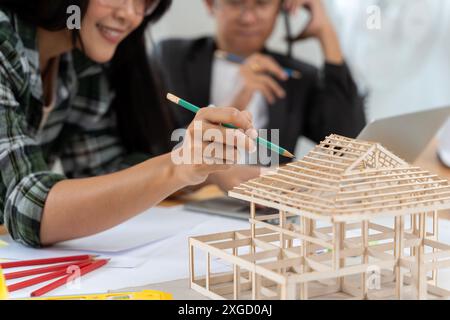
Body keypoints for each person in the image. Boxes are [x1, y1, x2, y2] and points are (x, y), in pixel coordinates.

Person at [0, 0, 257, 248]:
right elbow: (28, 208)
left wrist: (206, 171)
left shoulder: (80, 57)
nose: (130, 15)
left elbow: (103, 172)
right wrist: (180, 166)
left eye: (144, 1)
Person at [157, 0, 366, 167]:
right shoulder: (171, 58)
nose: (248, 18)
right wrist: (238, 99)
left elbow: (348, 144)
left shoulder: (295, 76)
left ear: (281, 9)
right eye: (235, 2)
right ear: (211, 4)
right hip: (188, 201)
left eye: (262, 3)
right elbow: (160, 151)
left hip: (267, 204)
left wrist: (326, 33)